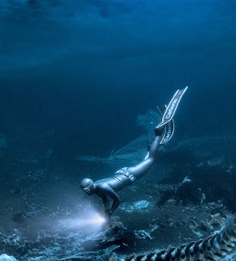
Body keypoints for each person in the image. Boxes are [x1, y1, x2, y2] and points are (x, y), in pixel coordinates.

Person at [81, 88, 188, 217]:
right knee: (148, 157)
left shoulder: (102, 187)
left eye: (86, 189)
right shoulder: (97, 187)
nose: (85, 191)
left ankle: (158, 134)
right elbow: (105, 198)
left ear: (91, 186)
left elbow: (117, 200)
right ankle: (155, 144)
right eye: (84, 189)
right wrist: (106, 210)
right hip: (124, 173)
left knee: (150, 160)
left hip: (129, 175)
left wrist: (110, 212)